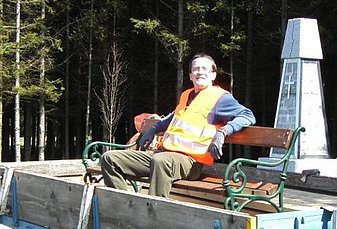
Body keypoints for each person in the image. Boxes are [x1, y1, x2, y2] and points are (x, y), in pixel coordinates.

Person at [101, 53, 256, 197]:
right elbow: (172, 118)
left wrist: (223, 132)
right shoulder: (187, 96)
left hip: (191, 162)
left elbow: (248, 115)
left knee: (161, 161)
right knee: (110, 158)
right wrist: (154, 129)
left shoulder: (220, 98)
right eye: (195, 69)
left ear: (213, 74)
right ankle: (124, 206)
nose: (200, 72)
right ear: (190, 75)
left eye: (204, 69)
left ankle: (154, 214)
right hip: (163, 155)